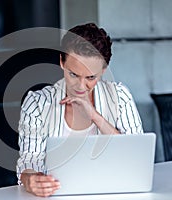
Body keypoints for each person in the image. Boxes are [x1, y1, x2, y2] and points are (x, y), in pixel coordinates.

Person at [16, 22, 144, 197]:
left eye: (91, 77)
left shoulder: (119, 97)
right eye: (73, 74)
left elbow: (136, 159)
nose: (80, 86)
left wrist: (95, 116)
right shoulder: (37, 104)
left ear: (104, 70)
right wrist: (31, 181)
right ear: (62, 62)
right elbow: (30, 161)